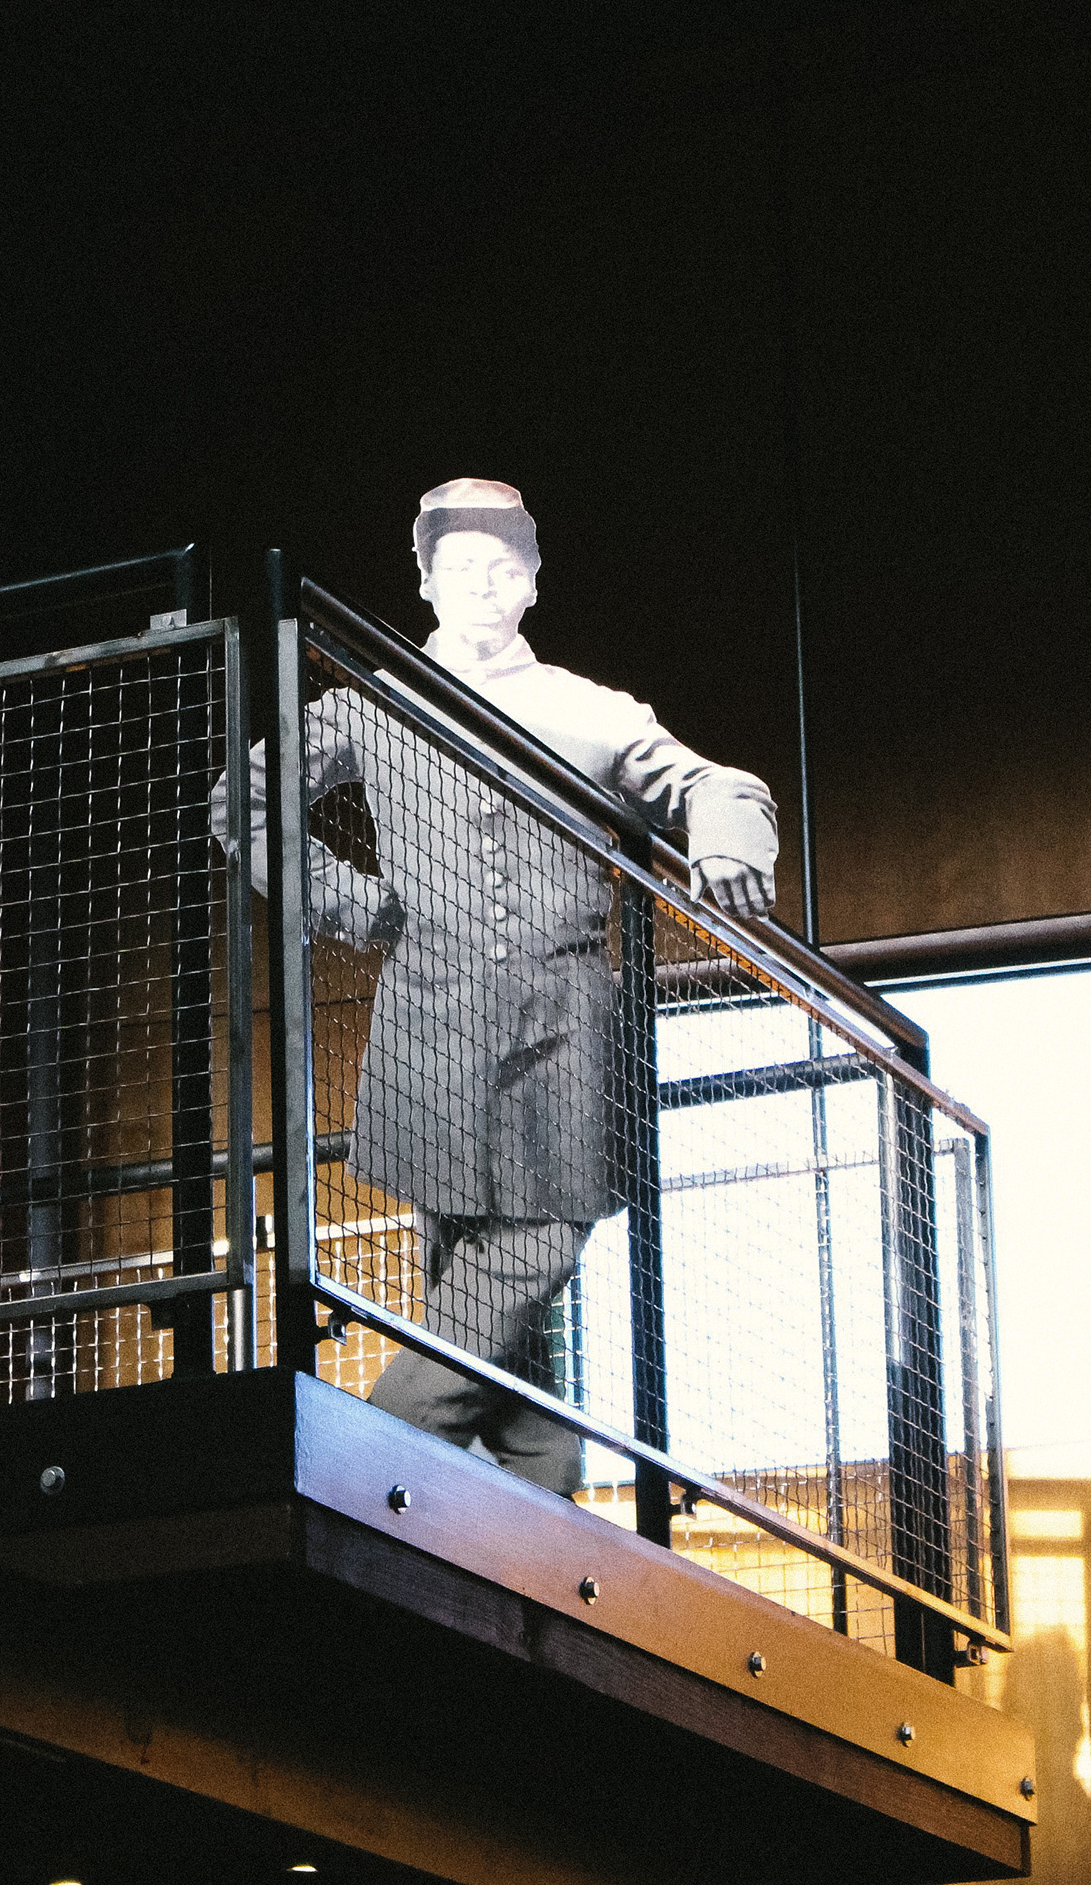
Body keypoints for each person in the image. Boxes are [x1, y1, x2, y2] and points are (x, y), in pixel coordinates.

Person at [213, 478, 777, 1495]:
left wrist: (729, 835)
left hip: (567, 1027)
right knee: (482, 1289)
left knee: (530, 1251)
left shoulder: (589, 709)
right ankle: (546, 1502)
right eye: (458, 566)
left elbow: (712, 780)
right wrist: (356, 903)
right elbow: (242, 802)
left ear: (532, 584)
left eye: (501, 566)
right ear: (426, 582)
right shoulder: (373, 704)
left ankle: (363, 1457)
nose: (480, 583)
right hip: (429, 1025)